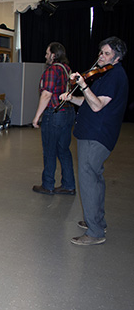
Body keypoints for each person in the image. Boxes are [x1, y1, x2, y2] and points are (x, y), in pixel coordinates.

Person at [59, 36, 128, 246]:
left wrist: (83, 85)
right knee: (95, 179)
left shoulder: (115, 76)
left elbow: (97, 106)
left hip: (96, 136)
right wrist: (72, 98)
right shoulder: (105, 74)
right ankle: (97, 221)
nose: (101, 56)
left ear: (116, 58)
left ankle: (95, 231)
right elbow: (89, 103)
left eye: (107, 54)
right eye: (101, 52)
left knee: (88, 182)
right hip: (92, 133)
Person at [32, 42, 76, 195]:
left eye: (47, 53)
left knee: (49, 150)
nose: (45, 56)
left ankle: (48, 184)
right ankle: (69, 185)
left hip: (55, 114)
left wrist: (37, 117)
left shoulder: (52, 70)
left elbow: (47, 94)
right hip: (68, 112)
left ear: (54, 54)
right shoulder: (66, 69)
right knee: (63, 150)